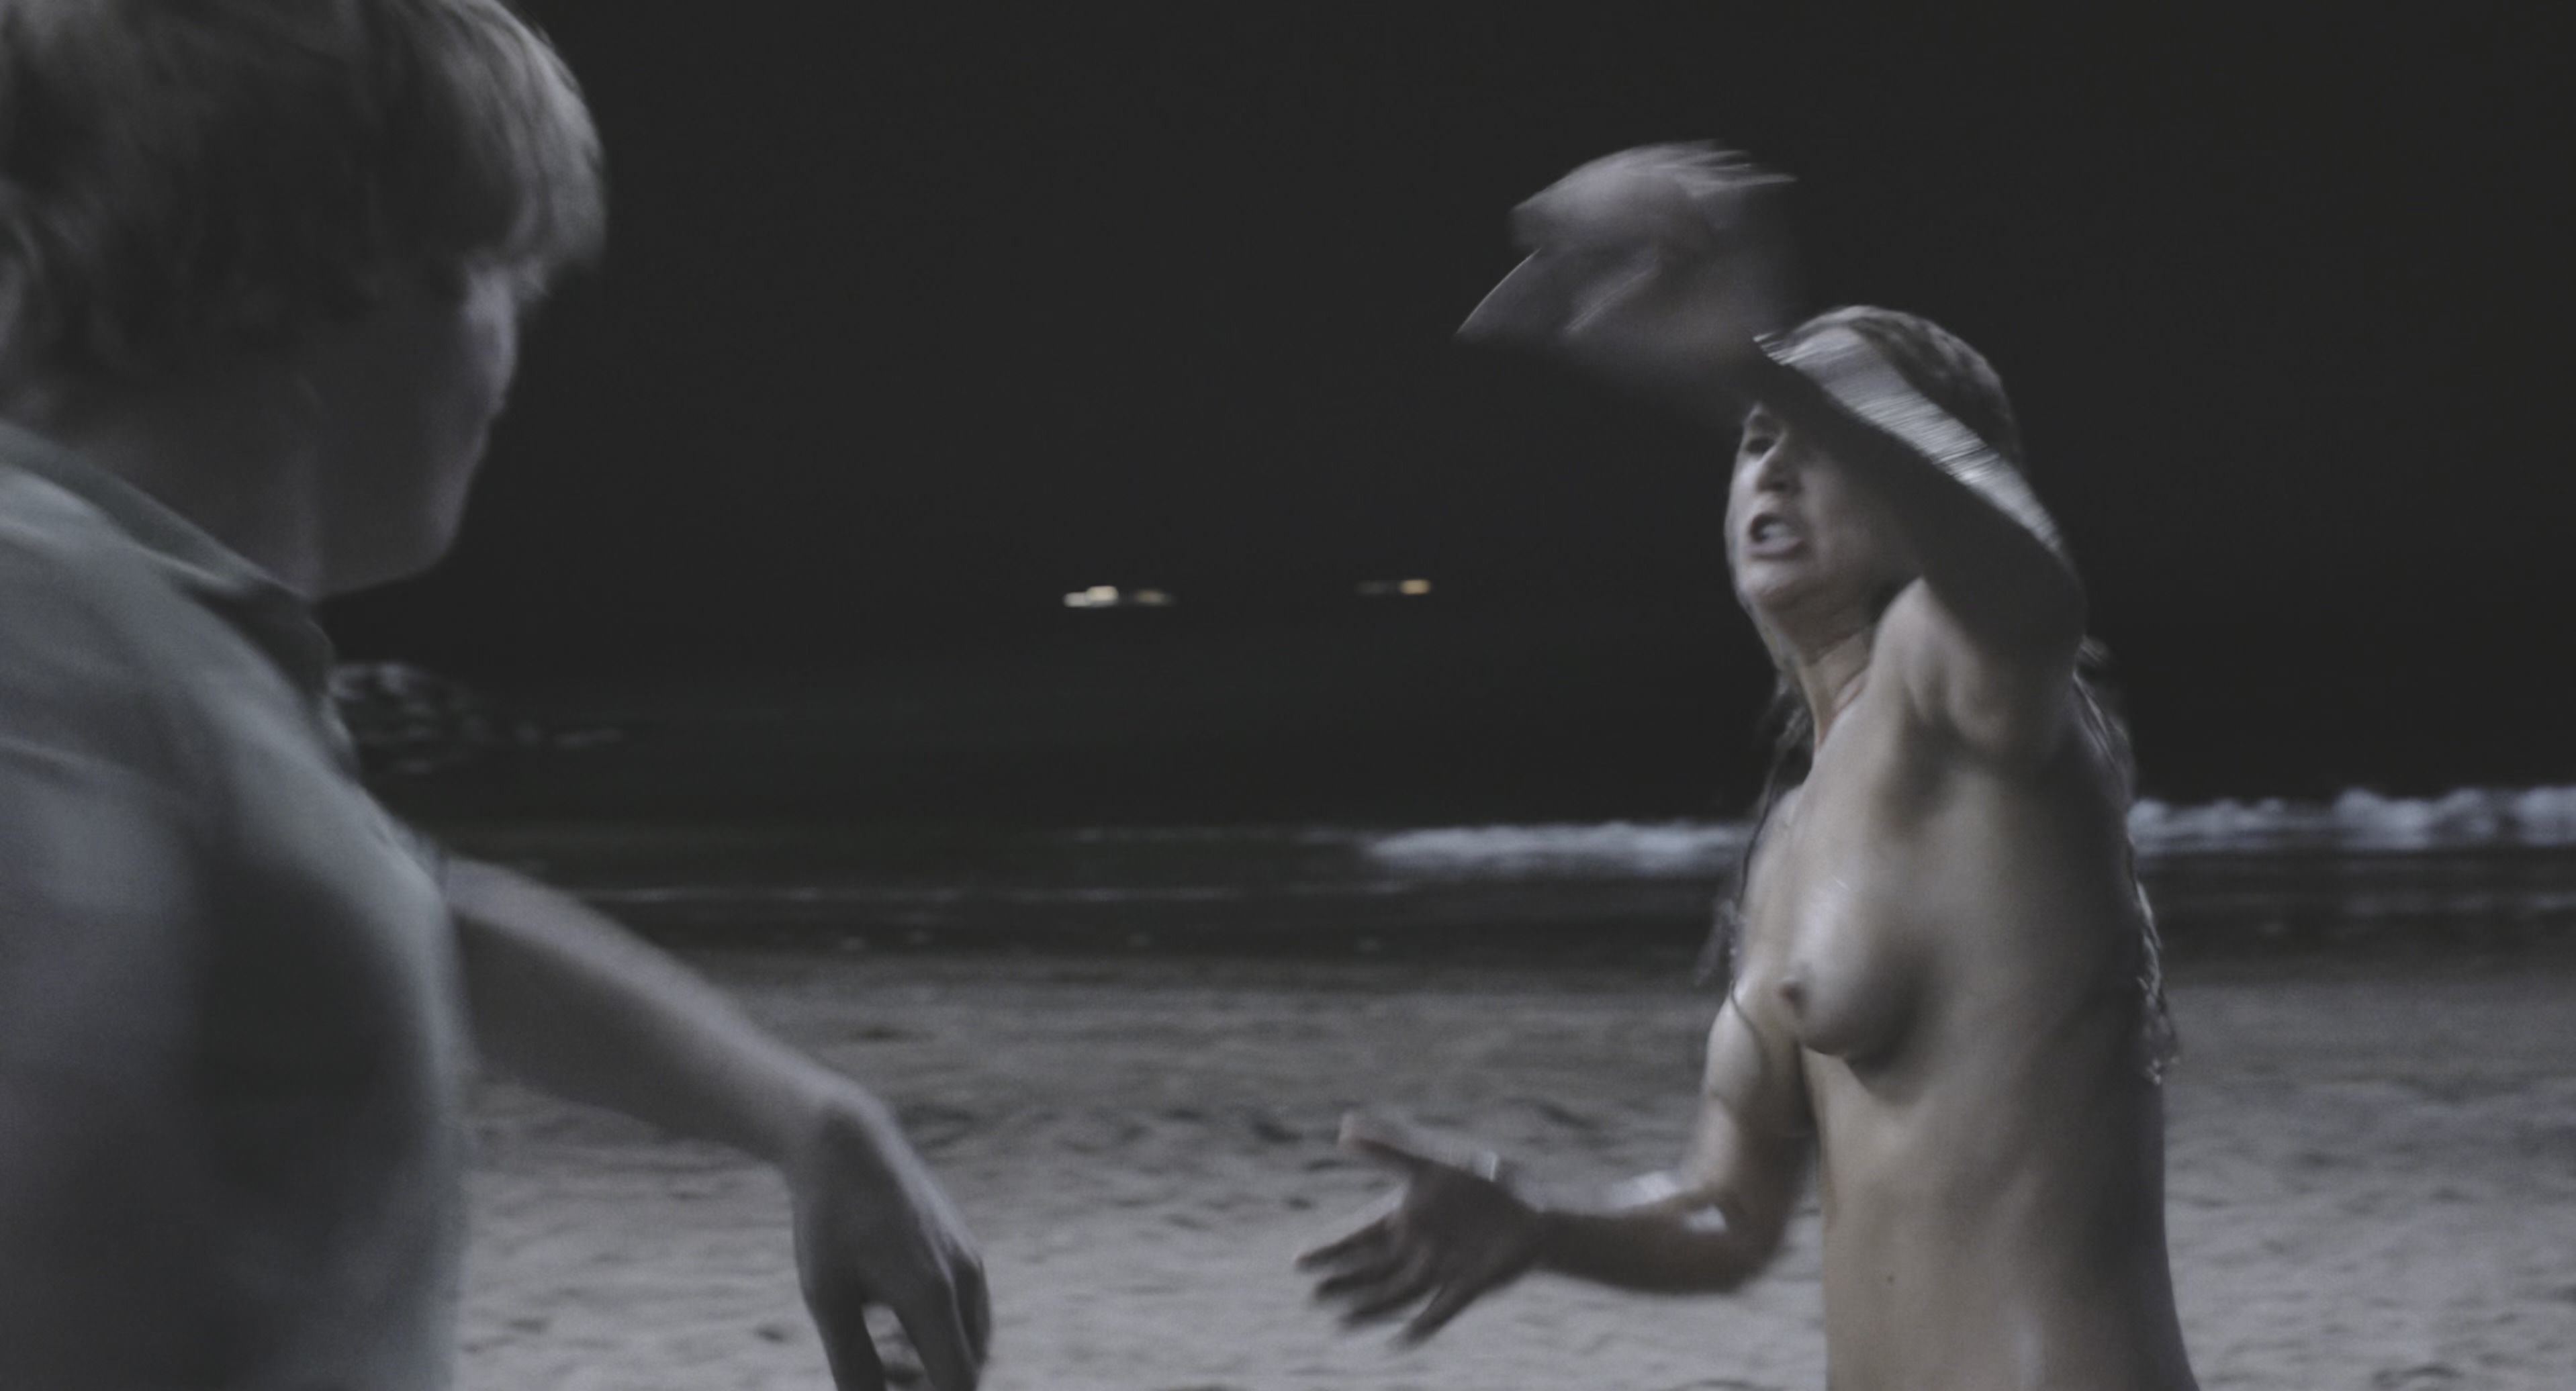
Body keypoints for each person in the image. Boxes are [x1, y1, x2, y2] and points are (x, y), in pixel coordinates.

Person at [0, 3, 984, 1388]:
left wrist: (801, 1116)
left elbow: (420, 921)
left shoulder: (162, 631)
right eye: (496, 274)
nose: (514, 356)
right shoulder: (46, 627)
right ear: (337, 270)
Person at [1300, 144, 2199, 1390]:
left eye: (1821, 435)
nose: (1774, 459)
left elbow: (2030, 588)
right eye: (1754, 438)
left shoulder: (1959, 688)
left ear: (1934, 481)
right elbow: (1728, 1214)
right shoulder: (1789, 845)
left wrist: (1754, 358)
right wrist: (1541, 1227)